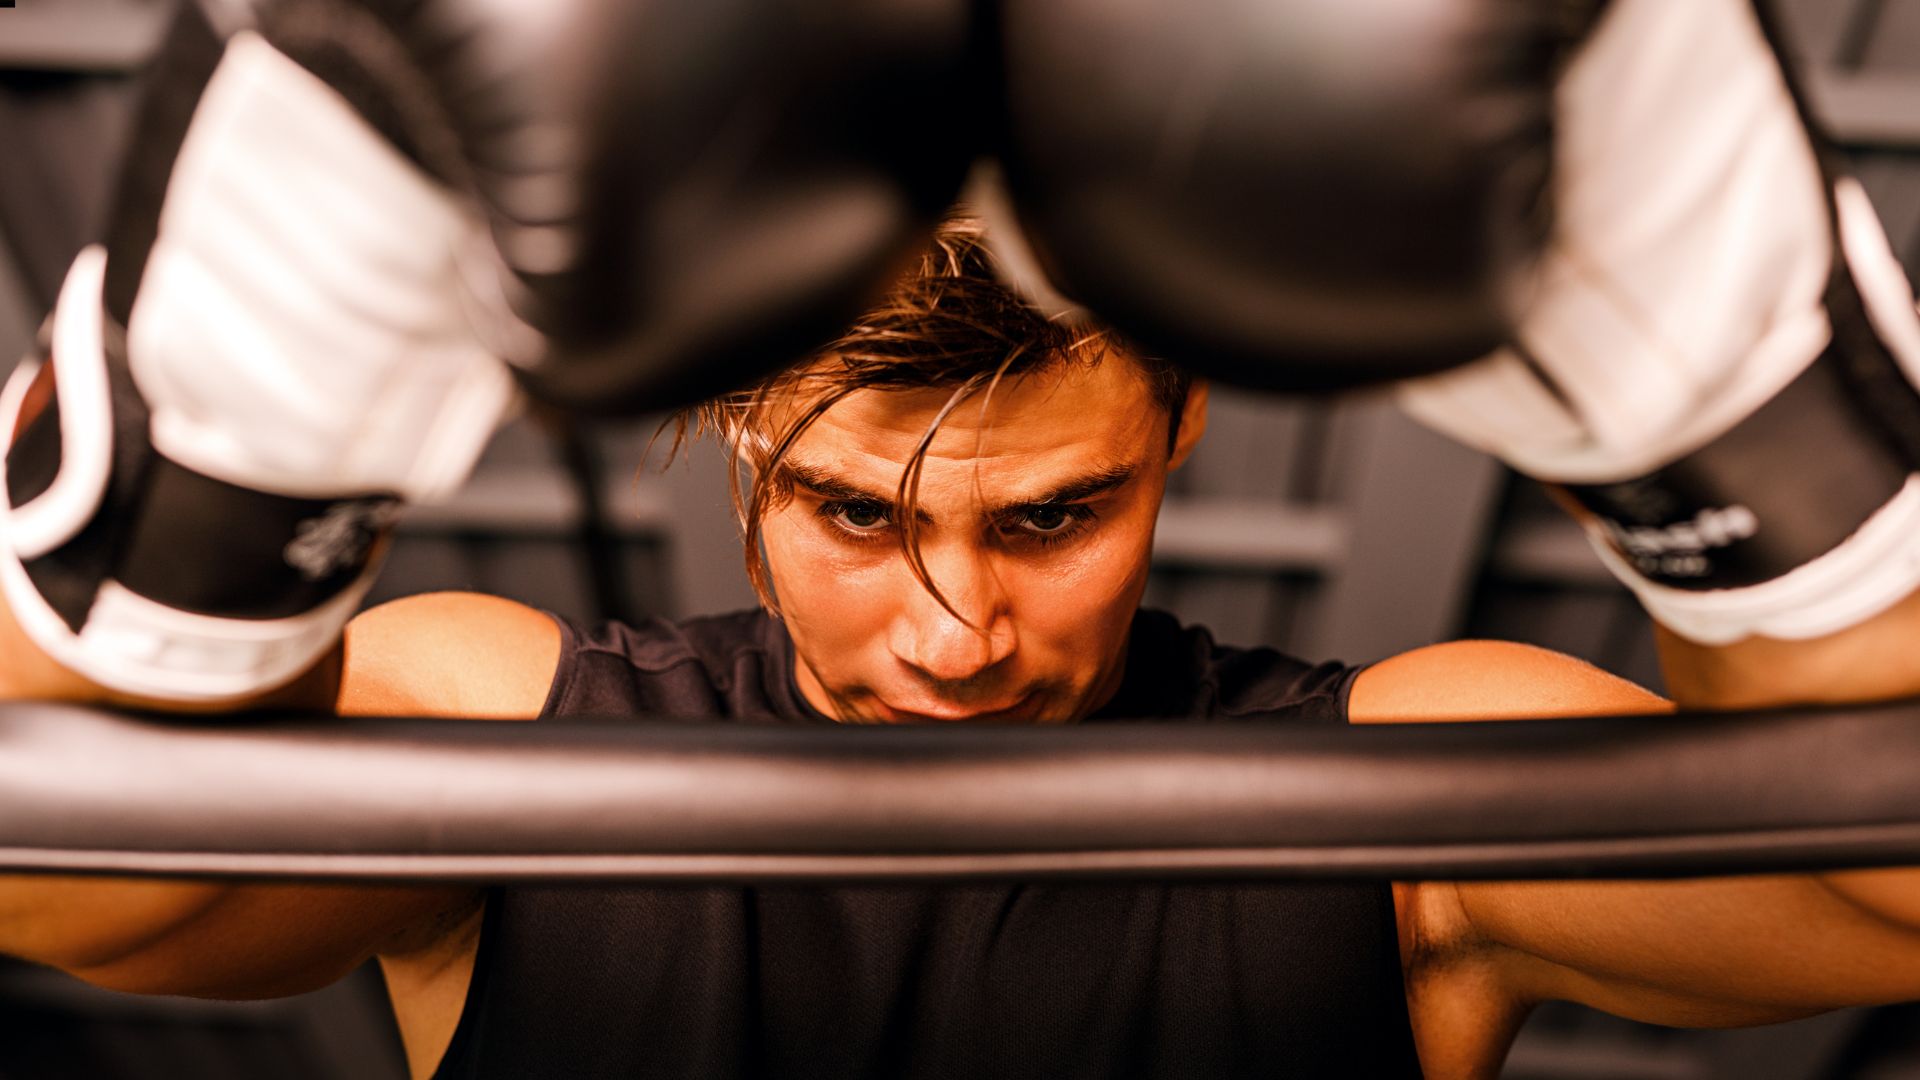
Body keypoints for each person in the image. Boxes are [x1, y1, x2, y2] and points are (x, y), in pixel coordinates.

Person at [4, 216, 1920, 1080]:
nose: (952, 635)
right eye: (856, 513)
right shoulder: (514, 734)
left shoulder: (1402, 798)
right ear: (747, 437)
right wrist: (244, 393)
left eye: (1050, 518)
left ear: (1178, 435)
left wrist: (1718, 400)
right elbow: (67, 888)